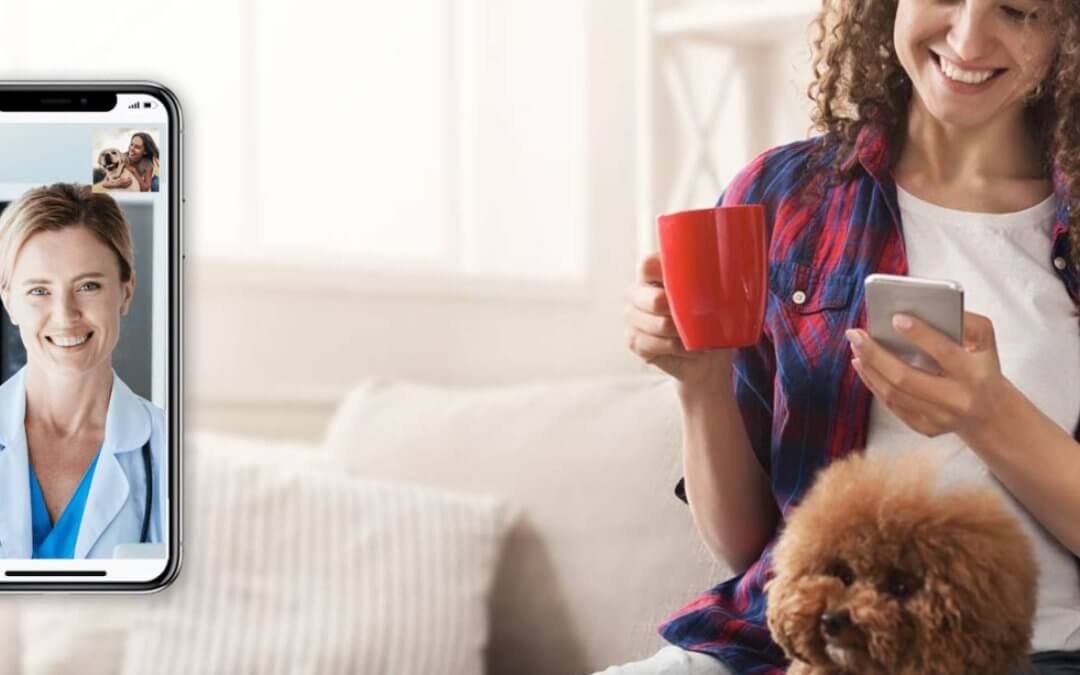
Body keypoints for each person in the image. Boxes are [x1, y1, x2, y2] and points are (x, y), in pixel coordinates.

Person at [615, 0, 1080, 672]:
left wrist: (990, 415)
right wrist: (701, 382)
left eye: (1018, 10)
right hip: (794, 646)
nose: (970, 38)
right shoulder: (784, 196)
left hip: (1029, 651)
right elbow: (749, 545)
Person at [0, 183, 165, 559]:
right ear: (8, 301)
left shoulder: (170, 451)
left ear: (126, 291)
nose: (65, 315)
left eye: (88, 285)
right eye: (39, 291)